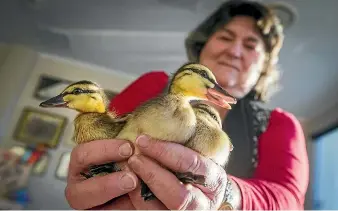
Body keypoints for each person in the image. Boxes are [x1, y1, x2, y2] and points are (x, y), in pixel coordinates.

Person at [64, 0, 309, 210]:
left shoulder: (279, 123)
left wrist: (224, 193)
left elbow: (288, 199)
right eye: (225, 37)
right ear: (203, 47)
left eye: (250, 45)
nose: (234, 51)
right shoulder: (153, 84)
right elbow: (102, 139)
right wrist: (90, 169)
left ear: (264, 67)